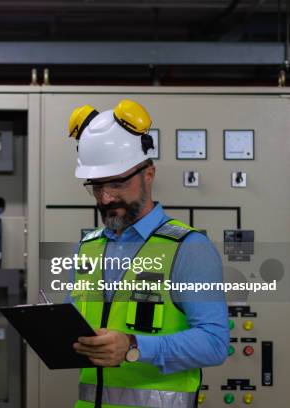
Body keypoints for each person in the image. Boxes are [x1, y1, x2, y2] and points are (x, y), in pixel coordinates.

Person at [66, 100, 229, 408]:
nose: (106, 197)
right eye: (96, 186)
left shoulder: (188, 248)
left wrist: (133, 346)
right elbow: (77, 326)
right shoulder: (88, 247)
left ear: (148, 174)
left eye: (117, 182)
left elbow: (215, 343)